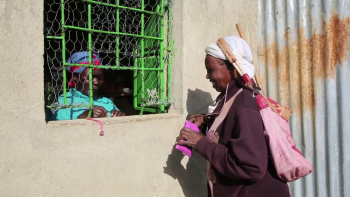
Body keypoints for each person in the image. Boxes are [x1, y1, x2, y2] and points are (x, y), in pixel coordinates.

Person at [176, 36, 291, 197]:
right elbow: (231, 129)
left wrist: (200, 143)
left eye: (211, 70)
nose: (207, 76)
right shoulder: (232, 96)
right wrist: (206, 120)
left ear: (232, 69)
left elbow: (250, 167)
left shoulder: (244, 103)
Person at [53, 51, 125, 120]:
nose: (96, 82)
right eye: (90, 77)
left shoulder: (106, 102)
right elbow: (57, 127)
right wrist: (84, 116)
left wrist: (119, 116)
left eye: (101, 78)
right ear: (74, 77)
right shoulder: (64, 101)